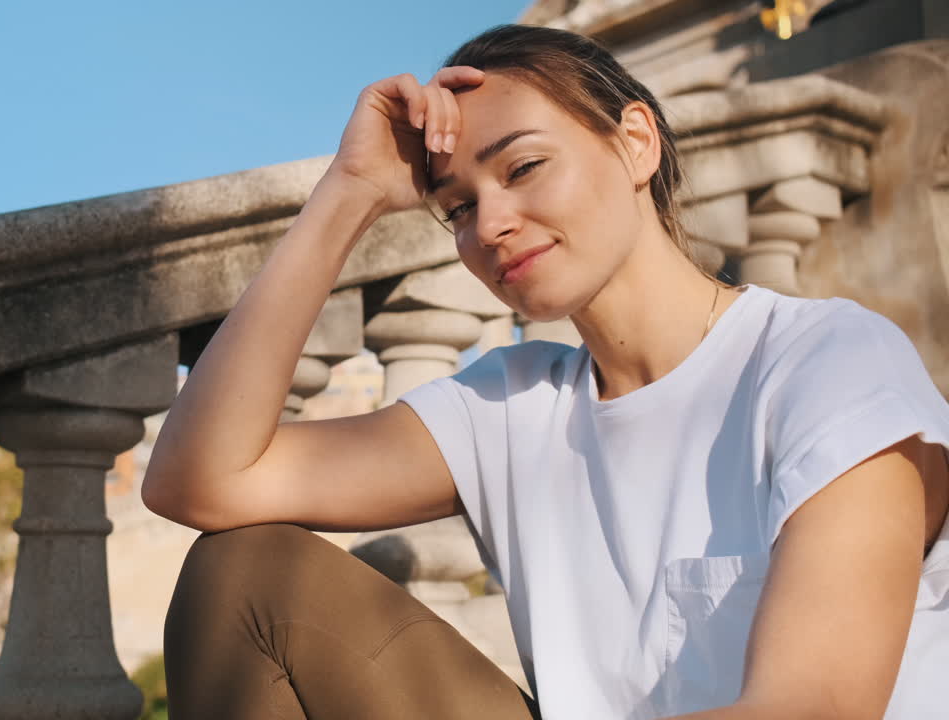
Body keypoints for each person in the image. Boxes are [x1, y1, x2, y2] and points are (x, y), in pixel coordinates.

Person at [142, 23, 949, 720]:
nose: (489, 223)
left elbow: (813, 709)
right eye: (456, 207)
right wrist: (346, 194)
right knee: (242, 572)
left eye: (523, 168)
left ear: (636, 142)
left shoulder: (825, 360)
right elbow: (199, 481)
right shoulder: (509, 404)